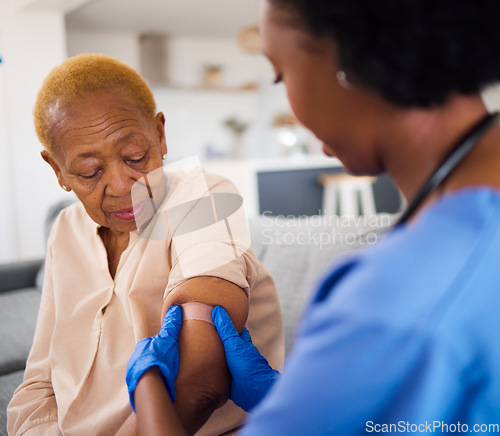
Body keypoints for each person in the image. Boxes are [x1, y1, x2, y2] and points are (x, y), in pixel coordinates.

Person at [124, 0, 500, 434]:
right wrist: (287, 398)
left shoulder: (386, 303)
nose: (293, 110)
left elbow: (202, 384)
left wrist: (149, 385)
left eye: (282, 75)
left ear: (352, 60)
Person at [6, 53, 284, 436]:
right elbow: (39, 379)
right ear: (58, 171)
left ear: (160, 135)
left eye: (136, 157)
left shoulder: (200, 197)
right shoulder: (66, 230)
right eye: (91, 171)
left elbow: (202, 381)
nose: (124, 186)